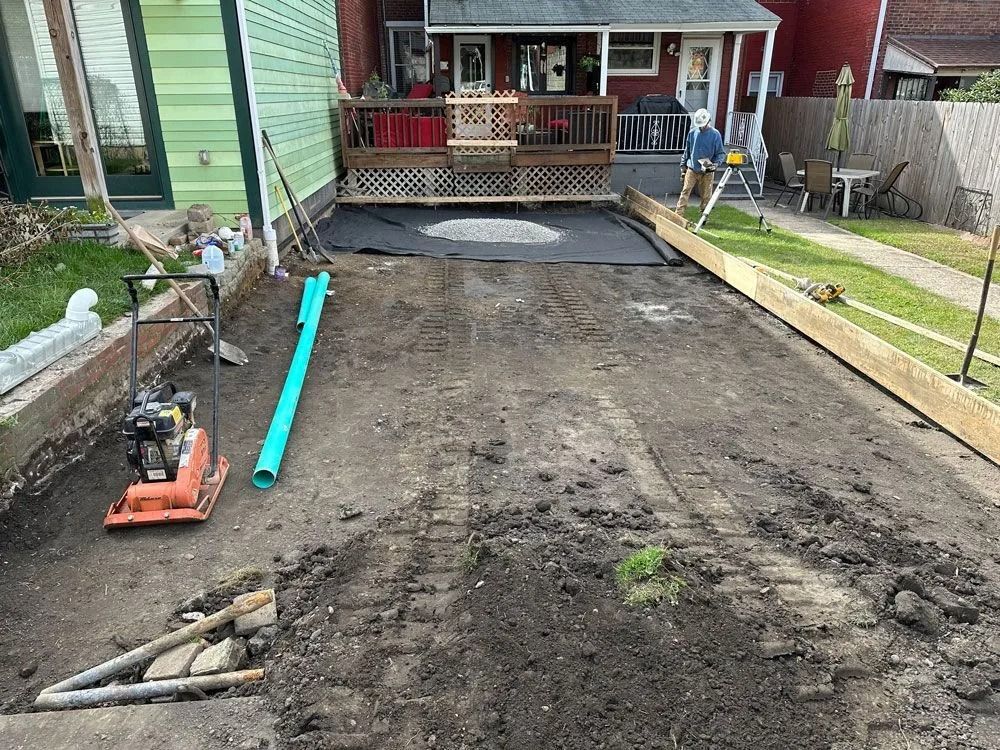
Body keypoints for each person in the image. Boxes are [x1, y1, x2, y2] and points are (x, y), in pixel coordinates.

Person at [676, 108, 726, 215]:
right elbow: (687, 150)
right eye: (699, 125)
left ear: (708, 121)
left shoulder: (715, 134)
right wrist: (683, 166)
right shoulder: (692, 132)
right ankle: (678, 214)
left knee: (706, 195)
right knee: (685, 191)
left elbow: (721, 154)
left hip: (707, 169)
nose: (701, 127)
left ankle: (704, 216)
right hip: (692, 168)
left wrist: (715, 165)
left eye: (703, 124)